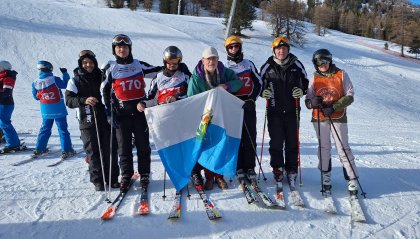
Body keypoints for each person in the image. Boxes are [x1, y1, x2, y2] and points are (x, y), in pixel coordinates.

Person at [101, 34, 162, 192]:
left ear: (130, 49)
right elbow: (104, 90)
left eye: (125, 47)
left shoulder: (138, 65)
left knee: (143, 146)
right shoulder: (111, 67)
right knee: (124, 147)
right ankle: (126, 176)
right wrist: (108, 111)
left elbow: (158, 72)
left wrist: (173, 67)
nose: (122, 49)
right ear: (114, 50)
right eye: (118, 47)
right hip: (121, 114)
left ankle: (145, 174)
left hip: (140, 113)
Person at [305, 48, 359, 196]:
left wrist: (335, 106)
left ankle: (352, 178)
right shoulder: (314, 78)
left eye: (325, 61)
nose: (323, 64)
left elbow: (350, 95)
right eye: (319, 62)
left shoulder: (341, 74)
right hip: (320, 117)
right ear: (315, 63)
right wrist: (312, 102)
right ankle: (326, 176)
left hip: (338, 116)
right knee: (324, 147)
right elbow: (308, 101)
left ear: (330, 60)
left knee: (343, 147)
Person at [187, 47, 243, 190]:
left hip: (222, 114)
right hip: (204, 116)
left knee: (220, 143)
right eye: (208, 59)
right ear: (203, 60)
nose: (211, 61)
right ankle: (209, 177)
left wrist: (227, 86)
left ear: (218, 60)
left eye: (214, 58)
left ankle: (219, 176)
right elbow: (191, 99)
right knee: (207, 145)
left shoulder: (224, 72)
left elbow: (238, 82)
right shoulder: (197, 78)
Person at [65, 50, 120, 191]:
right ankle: (98, 180)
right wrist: (84, 100)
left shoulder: (102, 77)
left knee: (110, 148)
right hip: (87, 120)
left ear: (94, 63)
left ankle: (112, 178)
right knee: (93, 151)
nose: (88, 65)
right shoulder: (75, 80)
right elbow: (69, 100)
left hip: (105, 118)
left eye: (90, 62)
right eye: (85, 63)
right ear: (81, 64)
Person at [260, 36, 309, 188]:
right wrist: (263, 92)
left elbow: (306, 82)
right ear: (274, 50)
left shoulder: (296, 64)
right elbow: (259, 84)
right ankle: (277, 168)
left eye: (284, 48)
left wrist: (301, 90)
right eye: (279, 49)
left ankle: (292, 169)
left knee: (292, 141)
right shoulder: (267, 67)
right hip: (274, 111)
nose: (282, 51)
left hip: (292, 110)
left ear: (288, 50)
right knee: (276, 141)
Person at [223, 36, 262, 181]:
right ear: (227, 49)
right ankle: (239, 166)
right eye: (231, 47)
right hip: (233, 105)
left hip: (248, 103)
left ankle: (250, 167)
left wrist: (252, 98)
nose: (234, 49)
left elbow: (258, 83)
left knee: (250, 136)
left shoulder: (248, 64)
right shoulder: (225, 66)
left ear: (240, 47)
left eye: (236, 46)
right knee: (236, 137)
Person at [32, 60, 75, 157]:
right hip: (58, 108)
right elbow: (66, 84)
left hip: (45, 109)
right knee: (62, 129)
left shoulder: (35, 82)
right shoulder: (54, 79)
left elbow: (35, 97)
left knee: (45, 129)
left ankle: (39, 149)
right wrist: (65, 73)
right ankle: (67, 150)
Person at [138, 45, 191, 109]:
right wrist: (143, 103)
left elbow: (191, 92)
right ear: (165, 61)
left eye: (175, 61)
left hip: (182, 109)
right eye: (169, 61)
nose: (172, 65)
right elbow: (153, 100)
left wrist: (176, 97)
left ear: (179, 61)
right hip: (165, 112)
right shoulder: (158, 78)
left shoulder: (184, 75)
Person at [0, 61, 21, 152]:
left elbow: (6, 92)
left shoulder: (9, 76)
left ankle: (13, 144)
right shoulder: (2, 76)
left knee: (5, 123)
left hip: (5, 104)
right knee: (3, 123)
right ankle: (11, 141)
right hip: (2, 103)